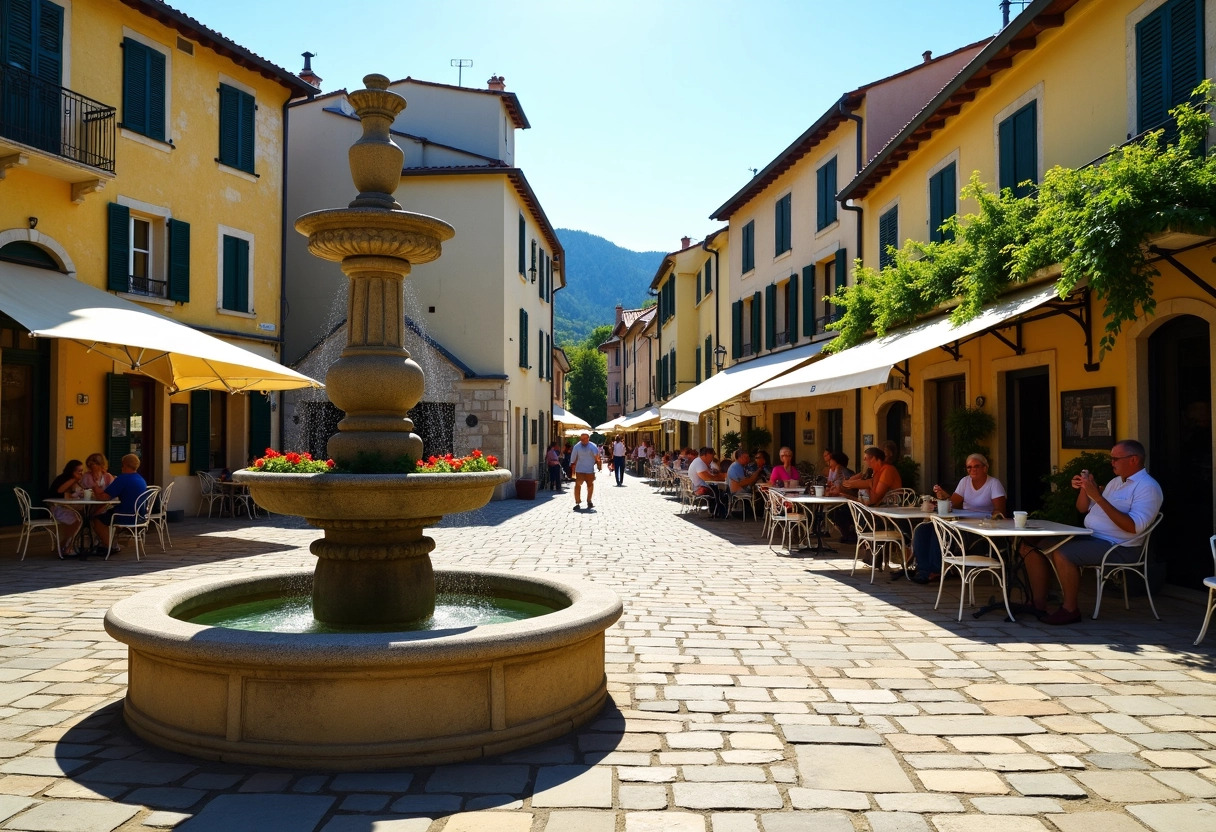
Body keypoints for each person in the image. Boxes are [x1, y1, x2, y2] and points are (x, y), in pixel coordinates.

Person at [1020, 439, 1163, 625]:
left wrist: (1097, 496)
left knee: (1063, 554)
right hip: (1092, 537)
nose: (1111, 462)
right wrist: (1085, 489)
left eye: (1115, 459)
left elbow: (1134, 527)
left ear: (1134, 459)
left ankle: (1070, 609)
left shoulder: (1148, 487)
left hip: (1118, 547)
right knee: (1031, 545)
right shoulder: (1115, 482)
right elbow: (1082, 509)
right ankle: (1038, 603)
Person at [910, 453, 1007, 584]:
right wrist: (943, 496)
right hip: (961, 520)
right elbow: (952, 503)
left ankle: (937, 570)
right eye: (969, 467)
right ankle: (923, 569)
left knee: (940, 530)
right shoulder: (965, 481)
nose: (972, 470)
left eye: (976, 466)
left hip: (979, 526)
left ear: (985, 468)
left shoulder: (993, 484)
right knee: (923, 530)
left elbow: (1000, 511)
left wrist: (991, 519)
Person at [92, 454, 148, 553]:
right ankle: (112, 543)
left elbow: (103, 497)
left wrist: (94, 485)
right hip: (140, 515)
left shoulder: (123, 479)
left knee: (97, 520)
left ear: (125, 465)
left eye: (122, 465)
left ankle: (109, 546)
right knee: (107, 514)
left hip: (126, 515)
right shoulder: (141, 479)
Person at [47, 459, 85, 557]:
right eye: (79, 471)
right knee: (76, 521)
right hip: (57, 508)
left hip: (68, 507)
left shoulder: (77, 481)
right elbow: (60, 491)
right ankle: (67, 546)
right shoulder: (64, 479)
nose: (81, 473)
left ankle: (67, 545)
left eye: (82, 471)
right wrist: (74, 480)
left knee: (82, 519)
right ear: (72, 471)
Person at [689, 446, 728, 517]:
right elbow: (708, 478)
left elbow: (710, 476)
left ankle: (719, 511)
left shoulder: (701, 462)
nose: (713, 458)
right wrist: (722, 476)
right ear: (706, 455)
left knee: (722, 491)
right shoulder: (699, 463)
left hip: (702, 486)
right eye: (712, 455)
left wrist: (718, 475)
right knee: (722, 493)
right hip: (700, 488)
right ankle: (718, 512)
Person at [569, 432, 602, 511]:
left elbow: (597, 456)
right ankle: (577, 502)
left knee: (590, 486)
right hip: (579, 470)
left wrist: (598, 464)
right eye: (582, 439)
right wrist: (572, 465)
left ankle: (589, 500)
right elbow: (573, 457)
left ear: (588, 438)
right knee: (578, 485)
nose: (583, 440)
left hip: (589, 470)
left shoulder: (592, 446)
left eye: (585, 439)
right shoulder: (577, 447)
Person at [727, 449, 762, 516]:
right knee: (759, 492)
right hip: (737, 491)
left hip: (737, 490)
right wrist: (757, 472)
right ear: (740, 457)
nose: (748, 459)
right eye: (746, 457)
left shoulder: (739, 466)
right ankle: (757, 512)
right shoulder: (736, 467)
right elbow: (743, 483)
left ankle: (752, 512)